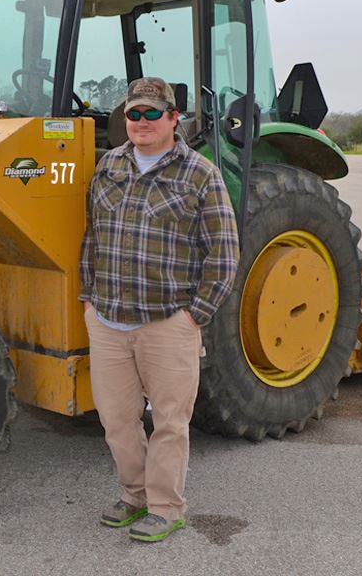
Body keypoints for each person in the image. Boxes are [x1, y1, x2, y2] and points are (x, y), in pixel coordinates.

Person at [78, 77, 239, 542]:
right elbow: (92, 237)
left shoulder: (200, 174)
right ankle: (134, 496)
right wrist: (89, 298)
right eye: (134, 113)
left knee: (170, 421)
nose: (142, 121)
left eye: (152, 113)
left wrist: (194, 314)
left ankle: (167, 507)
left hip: (167, 321)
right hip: (108, 319)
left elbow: (224, 253)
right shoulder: (108, 165)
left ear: (173, 118)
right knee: (116, 420)